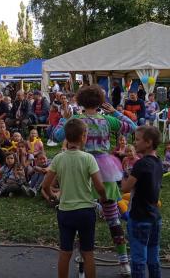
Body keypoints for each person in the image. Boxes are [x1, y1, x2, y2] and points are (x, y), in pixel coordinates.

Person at [53, 85, 135, 276]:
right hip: (105, 172)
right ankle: (124, 263)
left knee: (83, 216)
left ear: (80, 101)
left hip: (82, 170)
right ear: (100, 101)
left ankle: (82, 268)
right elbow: (132, 127)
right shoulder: (108, 120)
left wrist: (64, 118)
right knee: (113, 219)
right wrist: (116, 112)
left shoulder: (76, 120)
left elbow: (57, 136)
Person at [43, 118, 107, 278]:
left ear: (66, 136)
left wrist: (52, 196)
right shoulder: (88, 158)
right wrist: (104, 199)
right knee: (88, 253)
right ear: (83, 136)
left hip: (66, 212)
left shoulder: (59, 158)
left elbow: (45, 185)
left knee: (65, 252)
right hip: (85, 211)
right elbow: (99, 186)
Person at [121, 126, 163, 278]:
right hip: (155, 216)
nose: (135, 142)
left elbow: (126, 188)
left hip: (139, 216)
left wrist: (121, 173)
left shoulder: (140, 164)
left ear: (148, 142)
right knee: (153, 256)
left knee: (138, 258)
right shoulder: (158, 162)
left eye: (138, 139)